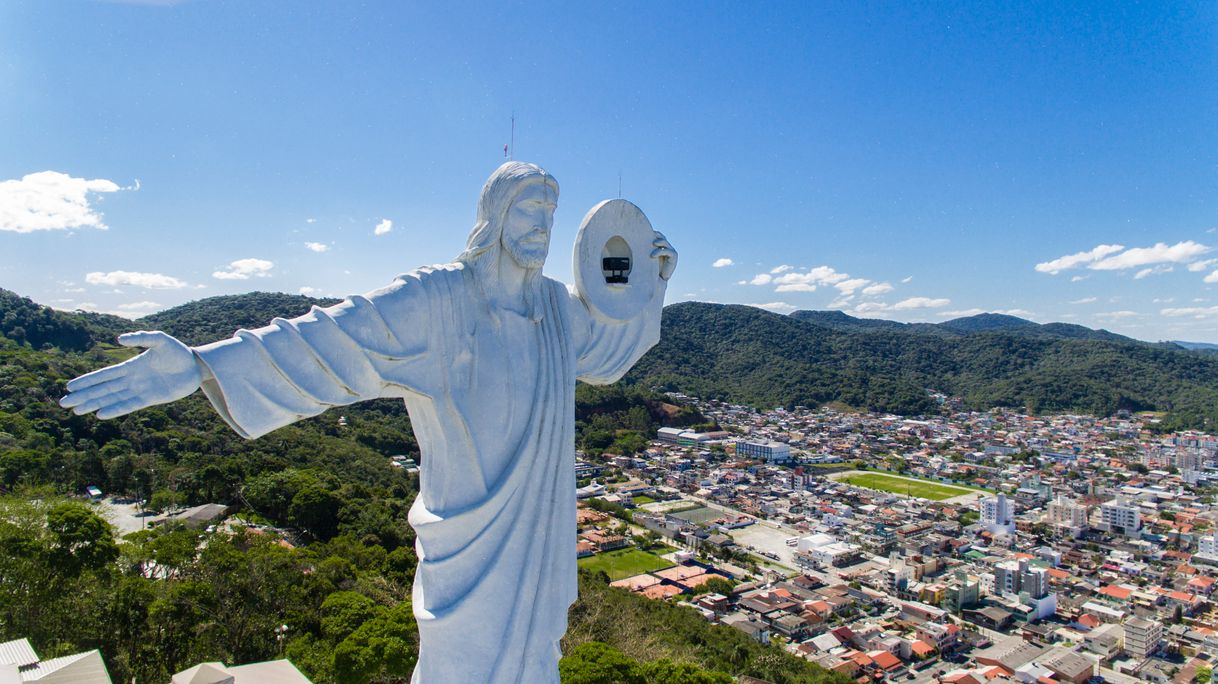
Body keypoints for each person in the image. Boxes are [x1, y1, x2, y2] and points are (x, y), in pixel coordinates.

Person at [60, 161, 677, 683]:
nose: (541, 227)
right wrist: (201, 366)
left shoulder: (555, 310)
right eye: (527, 210)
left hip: (534, 540)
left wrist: (653, 283)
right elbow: (330, 339)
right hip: (468, 542)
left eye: (550, 214)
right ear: (493, 216)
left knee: (535, 661)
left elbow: (608, 353)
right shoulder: (438, 301)